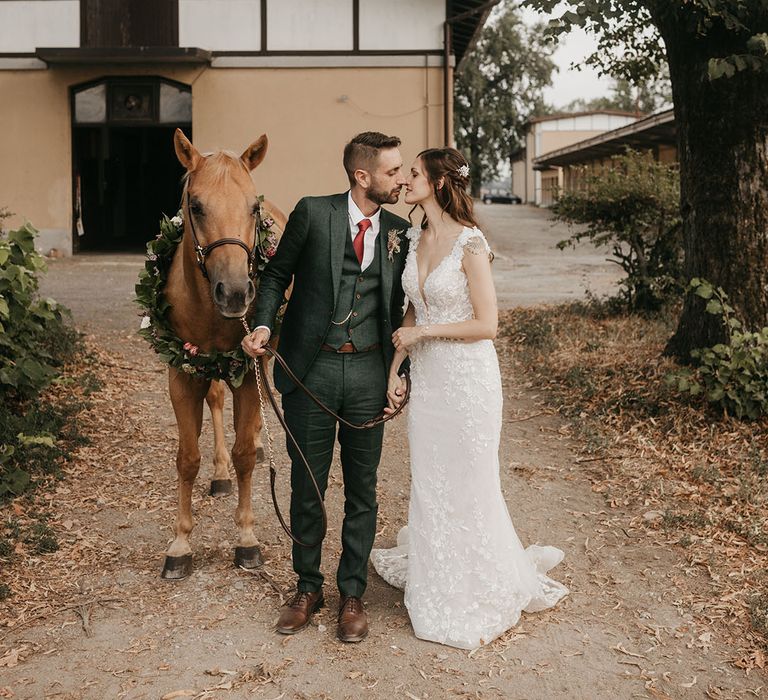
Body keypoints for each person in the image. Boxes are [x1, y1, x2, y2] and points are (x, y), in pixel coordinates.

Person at [369, 148, 568, 650]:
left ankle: (478, 581)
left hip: (470, 383)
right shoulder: (414, 237)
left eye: (414, 173)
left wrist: (422, 337)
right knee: (432, 481)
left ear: (437, 183)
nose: (406, 179)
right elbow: (411, 317)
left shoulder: (471, 243)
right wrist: (397, 372)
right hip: (431, 381)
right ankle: (437, 572)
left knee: (470, 480)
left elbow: (488, 323)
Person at [242, 132, 410, 642]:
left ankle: (352, 593)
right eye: (392, 171)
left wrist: (401, 375)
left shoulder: (403, 232)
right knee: (307, 484)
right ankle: (308, 587)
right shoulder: (313, 213)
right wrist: (265, 325)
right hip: (308, 370)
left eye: (403, 170)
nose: (401, 178)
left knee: (363, 489)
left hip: (368, 373)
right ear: (362, 176)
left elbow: (413, 306)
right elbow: (274, 276)